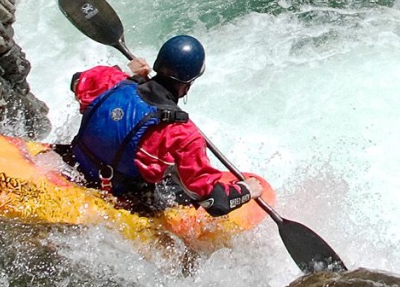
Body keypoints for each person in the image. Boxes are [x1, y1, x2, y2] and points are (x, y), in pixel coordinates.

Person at [67, 34, 264, 215]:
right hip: (115, 196)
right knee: (174, 182)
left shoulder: (110, 81)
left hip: (72, 168)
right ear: (187, 85)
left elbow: (77, 81)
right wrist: (247, 190)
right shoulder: (183, 134)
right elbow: (215, 203)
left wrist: (131, 74)